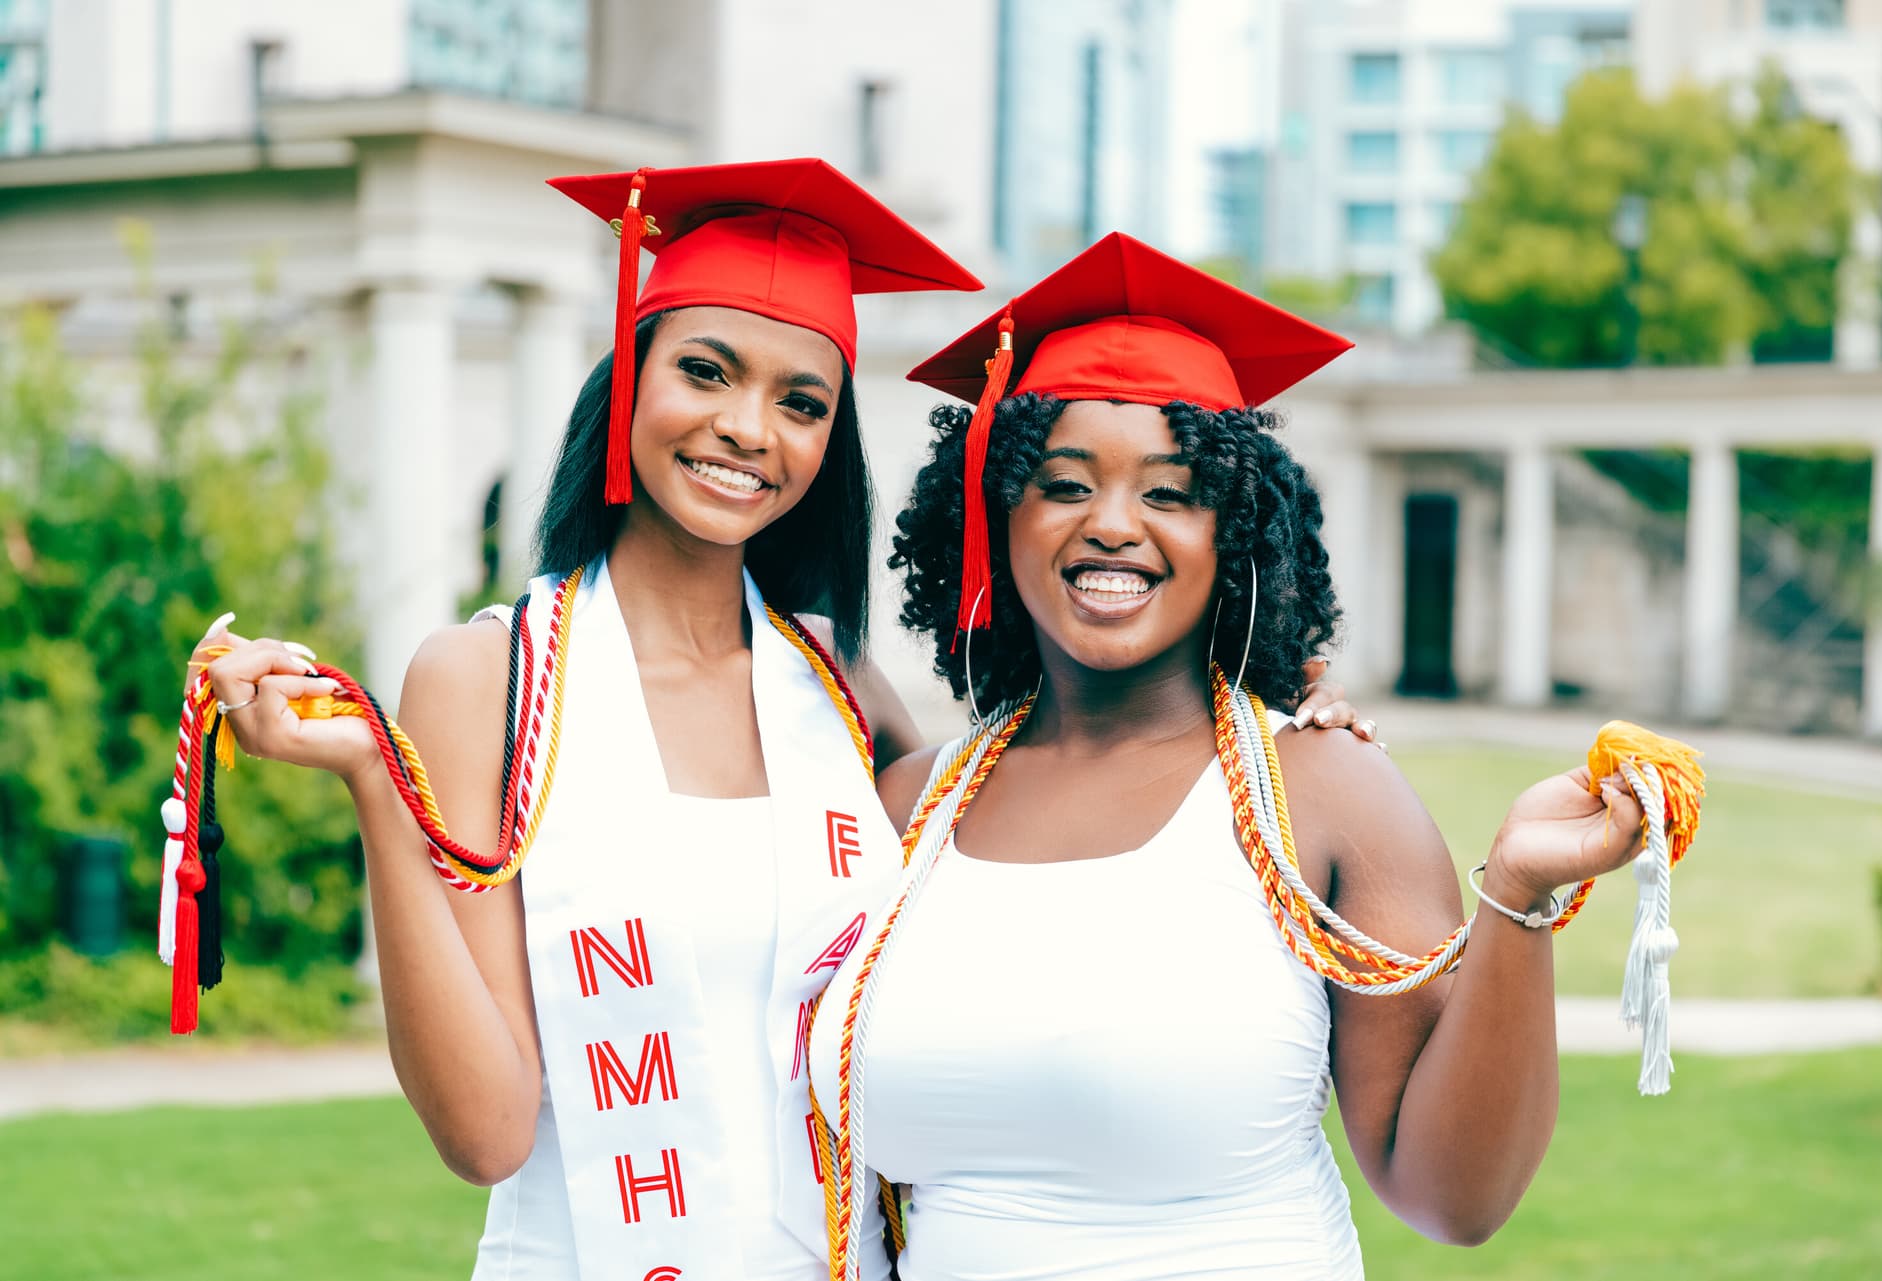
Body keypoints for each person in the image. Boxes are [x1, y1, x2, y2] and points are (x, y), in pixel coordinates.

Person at [184, 162, 1376, 1278]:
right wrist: (378, 791)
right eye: (706, 372)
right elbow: (488, 1132)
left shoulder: (845, 694)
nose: (749, 429)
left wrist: (1276, 709)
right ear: (629, 376)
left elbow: (1062, 793)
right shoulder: (485, 678)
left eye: (800, 400)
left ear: (827, 443)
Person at [811, 232, 1652, 1280]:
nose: (1114, 526)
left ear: (1236, 538)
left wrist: (1519, 898)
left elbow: (1454, 1195)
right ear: (992, 516)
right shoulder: (905, 809)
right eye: (1064, 485)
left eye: (1171, 493)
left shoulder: (1324, 796)